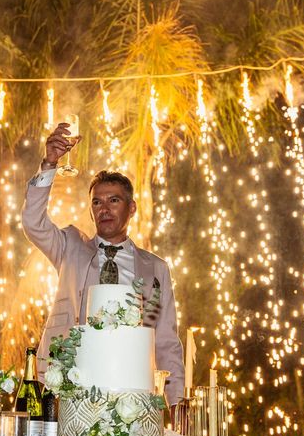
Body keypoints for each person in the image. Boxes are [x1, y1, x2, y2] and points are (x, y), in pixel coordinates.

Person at [21, 123, 185, 409]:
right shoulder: (70, 247)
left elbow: (167, 341)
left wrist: (177, 406)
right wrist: (49, 164)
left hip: (132, 391)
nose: (104, 209)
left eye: (113, 200)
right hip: (71, 384)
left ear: (131, 208)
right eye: (97, 202)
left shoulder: (155, 268)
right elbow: (33, 223)